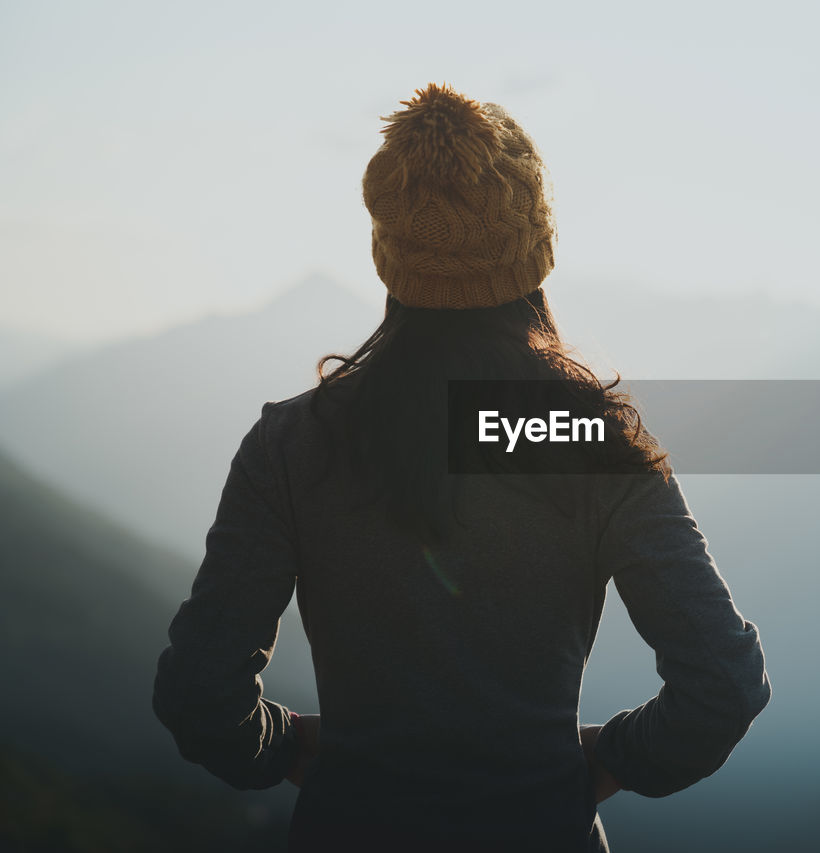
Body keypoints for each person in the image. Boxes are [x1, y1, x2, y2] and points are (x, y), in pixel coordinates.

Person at [152, 83, 771, 852]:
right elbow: (725, 683)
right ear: (533, 250)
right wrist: (601, 762)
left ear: (390, 254)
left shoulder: (292, 446)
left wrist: (286, 749)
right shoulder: (589, 443)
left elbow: (198, 694)